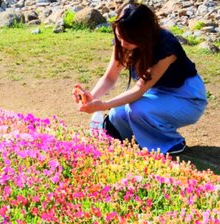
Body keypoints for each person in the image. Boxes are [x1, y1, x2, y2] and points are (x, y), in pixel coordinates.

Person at [73, 2, 208, 155]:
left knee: (136, 109)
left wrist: (103, 105)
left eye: (129, 40)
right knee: (117, 114)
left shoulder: (166, 46)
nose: (123, 43)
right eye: (119, 36)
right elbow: (110, 77)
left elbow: (138, 90)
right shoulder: (124, 36)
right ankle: (134, 141)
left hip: (187, 98)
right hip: (157, 93)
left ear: (144, 35)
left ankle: (171, 142)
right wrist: (91, 97)